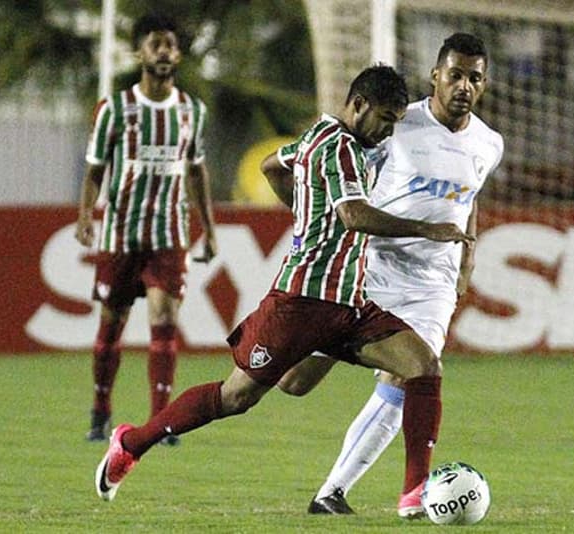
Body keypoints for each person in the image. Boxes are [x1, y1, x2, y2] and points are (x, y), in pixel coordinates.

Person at [93, 65, 474, 515]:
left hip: (350, 305)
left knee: (423, 365)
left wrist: (305, 210)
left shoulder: (320, 136)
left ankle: (415, 494)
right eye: (386, 120)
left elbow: (273, 165)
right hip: (300, 304)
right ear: (358, 106)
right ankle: (131, 443)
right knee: (235, 397)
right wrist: (426, 229)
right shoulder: (339, 148)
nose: (390, 131)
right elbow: (353, 215)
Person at [278, 33, 503, 518]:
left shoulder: (489, 143)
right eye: (456, 74)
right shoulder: (399, 124)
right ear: (436, 77)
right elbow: (338, 171)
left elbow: (469, 199)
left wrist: (466, 262)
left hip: (432, 284)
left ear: (484, 85)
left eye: (475, 78)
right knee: (294, 381)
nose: (465, 85)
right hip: (370, 269)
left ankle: (353, 492)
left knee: (410, 375)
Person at [76, 14, 217, 446]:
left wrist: (208, 229)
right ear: (140, 52)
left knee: (164, 319)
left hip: (168, 234)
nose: (162, 52)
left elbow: (196, 172)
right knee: (111, 325)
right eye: (154, 44)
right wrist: (85, 215)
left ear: (178, 55)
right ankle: (100, 410)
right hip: (120, 233)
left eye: (170, 45)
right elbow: (95, 170)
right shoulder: (115, 109)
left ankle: (160, 421)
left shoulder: (192, 111)